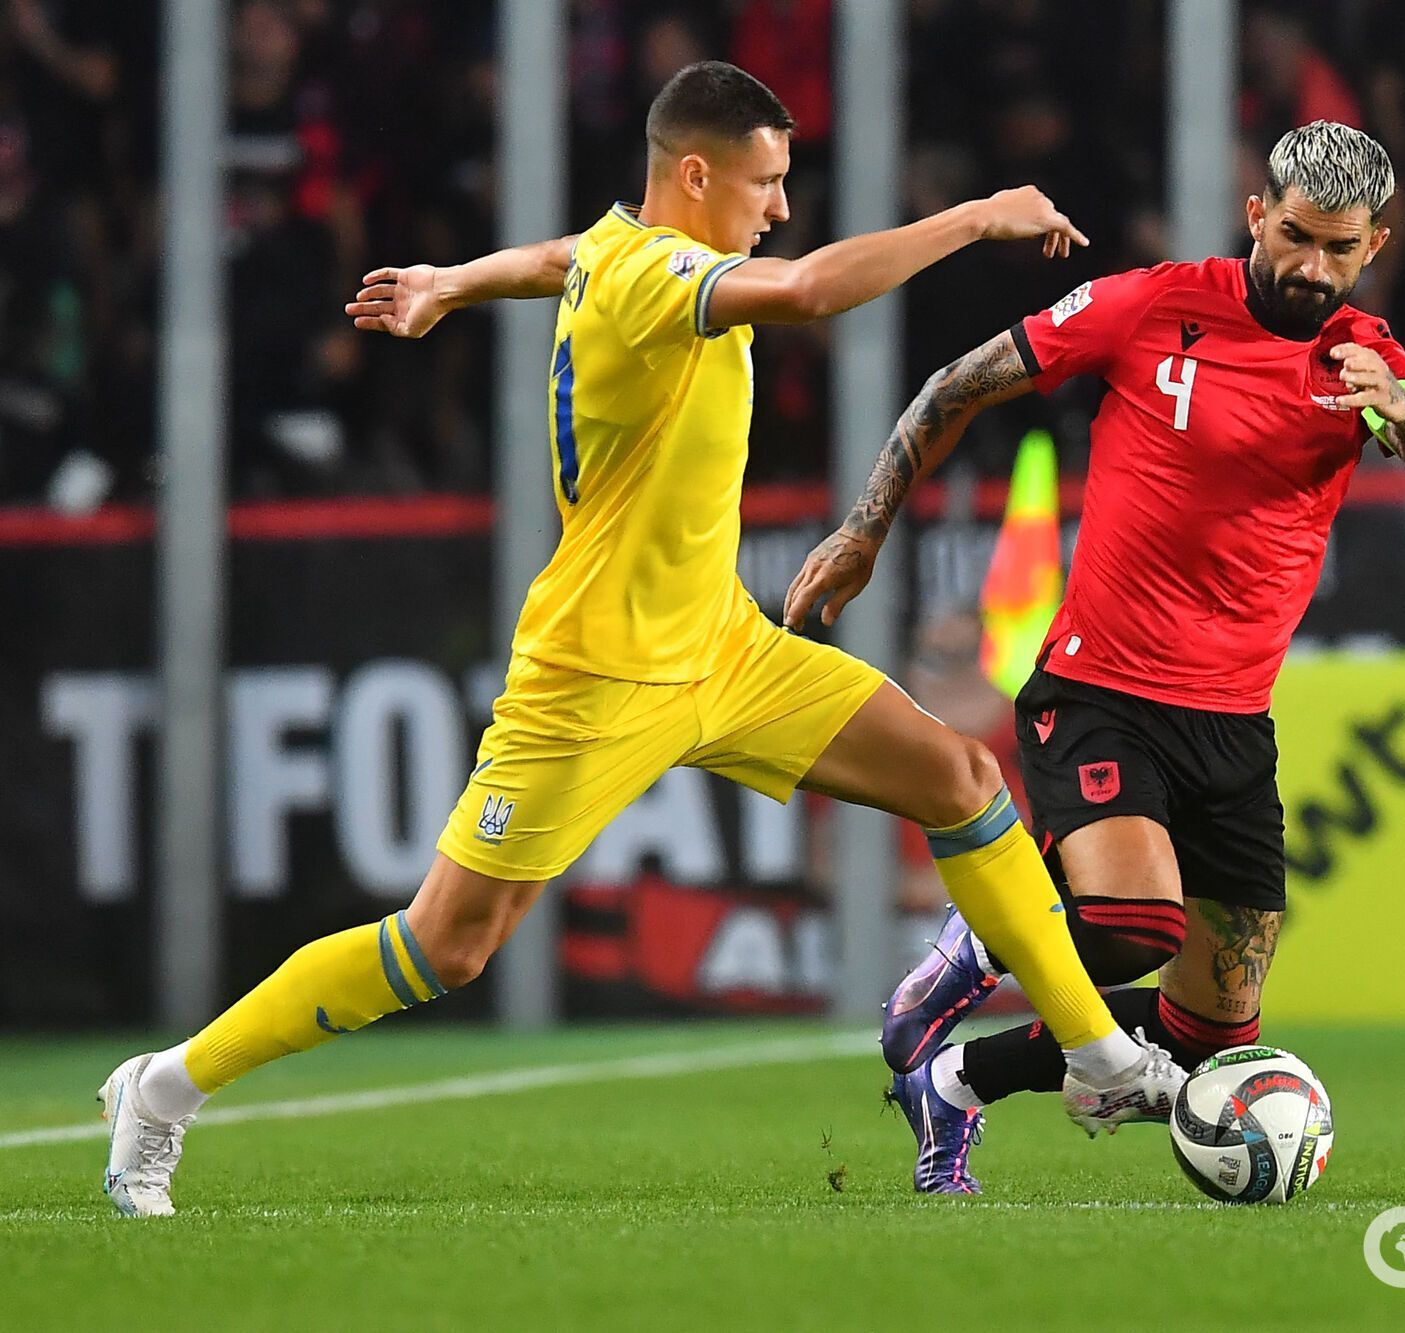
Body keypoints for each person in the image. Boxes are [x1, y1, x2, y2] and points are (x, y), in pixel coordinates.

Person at [96, 61, 1184, 1219]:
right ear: (696, 172)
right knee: (445, 946)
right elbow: (810, 292)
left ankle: (1095, 1055)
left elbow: (562, 256)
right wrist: (976, 217)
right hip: (597, 671)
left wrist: (450, 283)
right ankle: (163, 1089)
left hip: (719, 642)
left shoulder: (621, 250)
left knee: (959, 777)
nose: (775, 210)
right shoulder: (659, 274)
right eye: (763, 183)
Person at [787, 119, 1405, 1195]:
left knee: (1210, 1026)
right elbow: (954, 385)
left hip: (1233, 722)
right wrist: (863, 529)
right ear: (1257, 213)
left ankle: (957, 1080)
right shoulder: (1155, 305)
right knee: (1131, 923)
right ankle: (970, 950)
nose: (1311, 266)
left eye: (1339, 249)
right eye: (1295, 236)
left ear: (1371, 245)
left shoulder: (1365, 359)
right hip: (1098, 686)